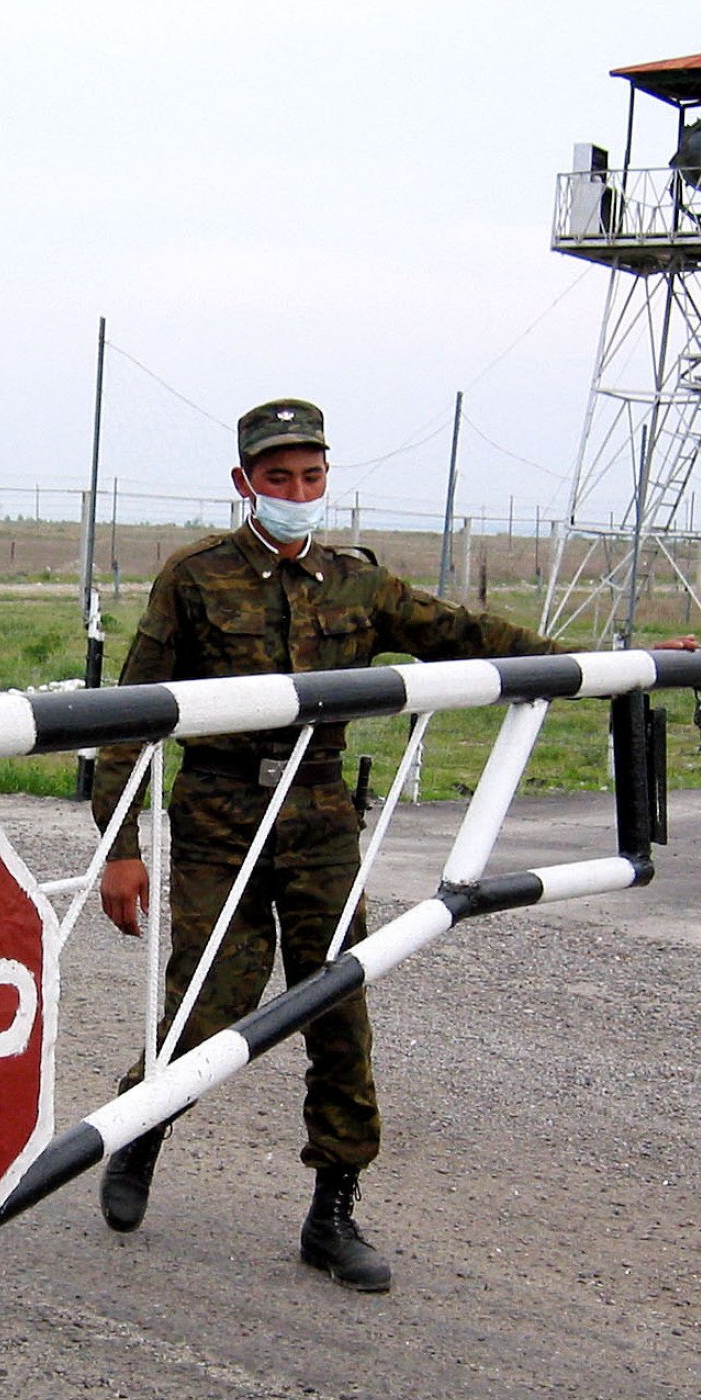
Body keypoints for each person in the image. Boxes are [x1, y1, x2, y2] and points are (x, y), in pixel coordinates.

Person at [90, 398, 577, 1294]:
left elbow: (461, 633)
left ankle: (333, 1210)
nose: (297, 493)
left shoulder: (358, 581)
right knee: (211, 1006)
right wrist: (121, 843)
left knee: (338, 1007)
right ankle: (138, 1131)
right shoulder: (192, 579)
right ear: (244, 484)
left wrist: (593, 664)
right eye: (278, 478)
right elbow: (127, 716)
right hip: (218, 816)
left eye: (311, 476)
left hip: (317, 814)